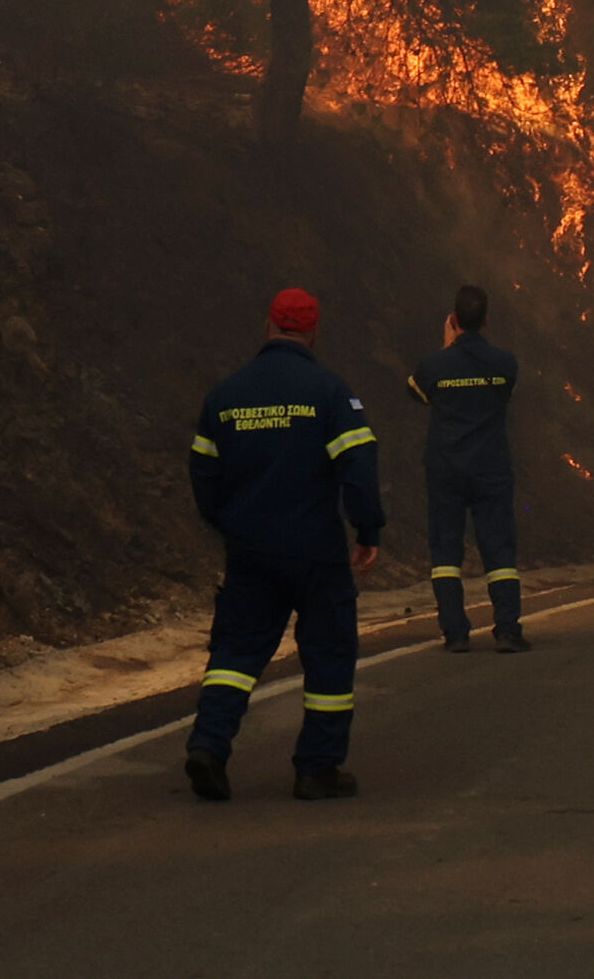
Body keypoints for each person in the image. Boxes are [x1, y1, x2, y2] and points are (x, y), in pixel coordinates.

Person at [183, 286, 385, 802]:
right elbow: (358, 467)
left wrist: (228, 524)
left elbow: (203, 474)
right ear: (313, 332)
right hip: (315, 549)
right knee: (330, 654)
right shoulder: (330, 393)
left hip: (251, 548)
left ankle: (208, 747)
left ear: (268, 326)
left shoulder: (225, 396)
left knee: (235, 652)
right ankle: (317, 769)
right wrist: (368, 531)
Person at [404, 283, 528, 652]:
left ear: (453, 320)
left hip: (446, 469)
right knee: (499, 549)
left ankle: (455, 632)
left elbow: (416, 393)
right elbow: (507, 394)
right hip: (490, 468)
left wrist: (447, 351)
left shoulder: (433, 366)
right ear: (486, 320)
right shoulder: (505, 364)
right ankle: (507, 629)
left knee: (445, 550)